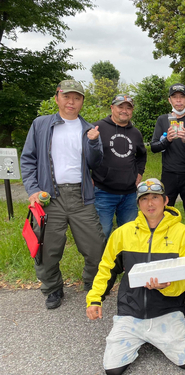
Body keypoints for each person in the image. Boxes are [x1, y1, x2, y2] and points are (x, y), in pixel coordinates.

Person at [86, 178, 185, 374]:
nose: (150, 203)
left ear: (165, 200)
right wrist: (95, 299)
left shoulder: (183, 234)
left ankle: (181, 318)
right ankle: (143, 336)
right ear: (138, 203)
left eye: (155, 197)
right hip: (131, 311)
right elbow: (106, 268)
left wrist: (168, 286)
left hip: (167, 309)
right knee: (112, 370)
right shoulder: (122, 233)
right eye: (144, 199)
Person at [21, 79, 106, 309]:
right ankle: (53, 288)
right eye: (67, 96)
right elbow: (28, 159)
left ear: (82, 102)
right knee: (47, 249)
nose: (71, 101)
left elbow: (95, 163)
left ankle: (91, 284)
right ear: (57, 97)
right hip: (49, 197)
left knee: (96, 247)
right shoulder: (41, 125)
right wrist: (33, 190)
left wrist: (94, 143)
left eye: (77, 98)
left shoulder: (89, 129)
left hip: (81, 197)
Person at [92, 94, 147, 240]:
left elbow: (142, 155)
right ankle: (102, 262)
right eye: (120, 106)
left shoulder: (135, 133)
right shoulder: (98, 128)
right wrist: (87, 175)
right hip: (104, 192)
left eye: (128, 108)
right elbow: (85, 154)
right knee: (103, 232)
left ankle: (124, 262)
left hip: (129, 194)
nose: (124, 110)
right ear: (112, 108)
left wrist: (139, 172)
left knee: (129, 234)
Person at [151, 84, 185, 232]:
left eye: (182, 97)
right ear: (169, 100)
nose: (178, 101)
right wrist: (167, 140)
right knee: (166, 212)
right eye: (175, 97)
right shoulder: (163, 120)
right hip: (169, 174)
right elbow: (154, 147)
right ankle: (166, 243)